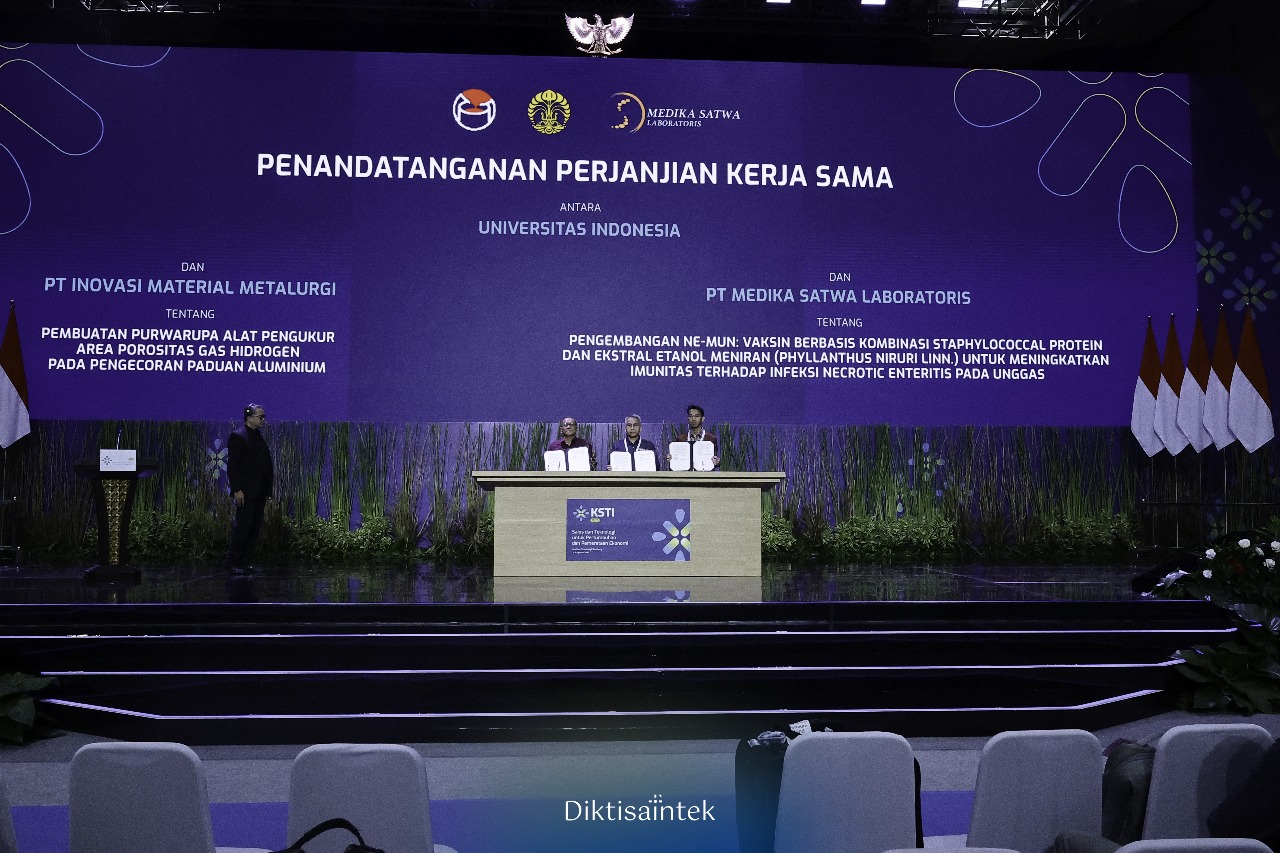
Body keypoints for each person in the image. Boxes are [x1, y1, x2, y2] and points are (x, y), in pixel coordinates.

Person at [225, 403, 273, 571]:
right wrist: (237, 490)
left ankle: (245, 561)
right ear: (249, 418)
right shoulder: (238, 437)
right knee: (243, 527)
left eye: (263, 417)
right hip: (246, 492)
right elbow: (233, 466)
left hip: (259, 491)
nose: (263, 420)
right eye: (260, 417)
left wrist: (268, 489)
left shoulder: (258, 437)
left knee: (254, 527)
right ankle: (232, 562)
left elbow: (265, 464)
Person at [671, 403, 721, 470]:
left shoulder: (711, 438)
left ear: (702, 419)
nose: (693, 419)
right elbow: (677, 460)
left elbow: (714, 460)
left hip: (704, 474)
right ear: (688, 419)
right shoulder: (681, 438)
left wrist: (717, 462)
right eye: (691, 416)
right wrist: (672, 459)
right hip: (685, 474)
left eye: (696, 416)